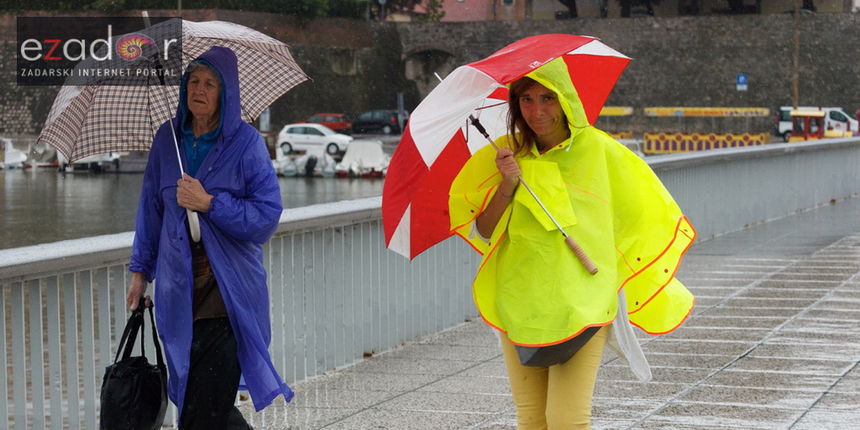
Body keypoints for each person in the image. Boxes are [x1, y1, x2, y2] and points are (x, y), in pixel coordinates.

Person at [449, 60, 696, 429]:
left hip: (584, 301)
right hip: (521, 301)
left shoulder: (602, 151)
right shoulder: (505, 155)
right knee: (532, 419)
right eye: (527, 100)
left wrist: (615, 271)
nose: (537, 111)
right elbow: (485, 231)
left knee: (567, 420)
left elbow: (646, 214)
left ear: (565, 100)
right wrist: (507, 185)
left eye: (547, 98)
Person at [126, 46, 292, 429]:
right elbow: (150, 211)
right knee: (198, 405)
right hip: (179, 295)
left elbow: (266, 217)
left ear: (225, 93)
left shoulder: (246, 143)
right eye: (193, 82)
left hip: (229, 296)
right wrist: (140, 273)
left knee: (204, 409)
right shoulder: (167, 140)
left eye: (209, 84)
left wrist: (209, 203)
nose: (198, 90)